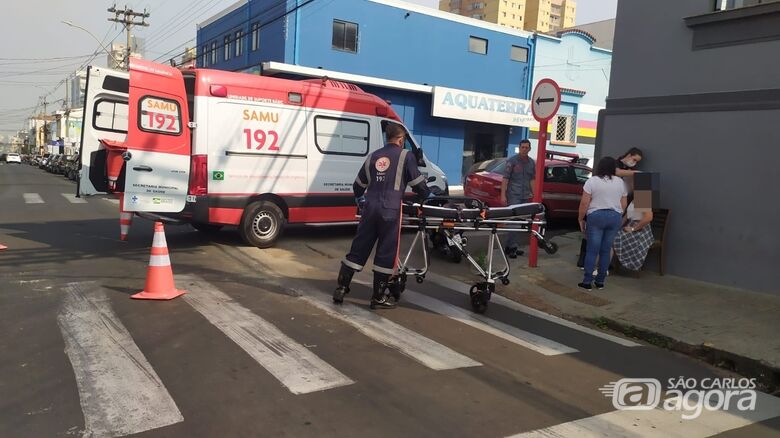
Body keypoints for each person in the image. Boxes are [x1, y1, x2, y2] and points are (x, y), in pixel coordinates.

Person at [333, 123, 430, 309]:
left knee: (358, 248)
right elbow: (419, 185)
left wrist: (362, 201)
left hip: (369, 209)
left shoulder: (373, 156)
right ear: (401, 140)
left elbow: (357, 187)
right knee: (385, 253)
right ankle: (377, 297)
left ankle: (341, 288)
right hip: (390, 211)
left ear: (387, 137)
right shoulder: (405, 156)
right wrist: (429, 195)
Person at [577, 157, 627, 290]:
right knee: (606, 250)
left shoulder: (592, 181)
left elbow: (584, 203)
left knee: (592, 250)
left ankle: (587, 281)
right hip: (615, 216)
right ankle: (600, 281)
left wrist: (580, 218)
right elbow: (624, 204)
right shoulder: (620, 183)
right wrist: (617, 215)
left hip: (596, 216)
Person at [499, 139, 536, 258]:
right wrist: (503, 195)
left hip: (525, 196)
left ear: (530, 149)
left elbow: (532, 179)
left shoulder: (531, 163)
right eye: (522, 147)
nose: (524, 149)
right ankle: (512, 247)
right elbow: (505, 179)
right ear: (519, 148)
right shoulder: (512, 161)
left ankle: (510, 246)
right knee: (513, 222)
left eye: (527, 147)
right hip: (514, 195)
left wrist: (534, 194)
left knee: (519, 222)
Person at [612, 200, 654, 271]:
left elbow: (649, 217)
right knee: (609, 235)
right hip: (629, 227)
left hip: (641, 231)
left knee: (614, 238)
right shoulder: (634, 198)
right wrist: (614, 228)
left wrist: (633, 229)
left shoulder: (642, 196)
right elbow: (625, 218)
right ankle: (605, 265)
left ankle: (603, 267)